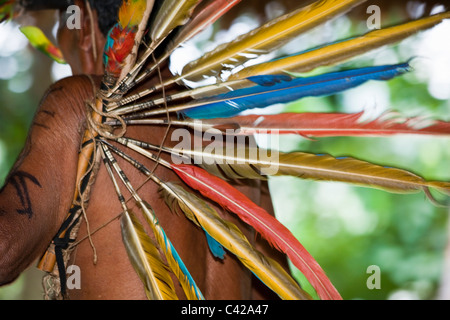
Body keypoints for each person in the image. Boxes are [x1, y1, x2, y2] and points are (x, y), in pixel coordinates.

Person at [0, 0, 290, 300]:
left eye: (65, 20)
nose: (61, 44)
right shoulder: (233, 137)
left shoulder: (80, 102)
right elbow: (272, 292)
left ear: (83, 16)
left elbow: (4, 253)